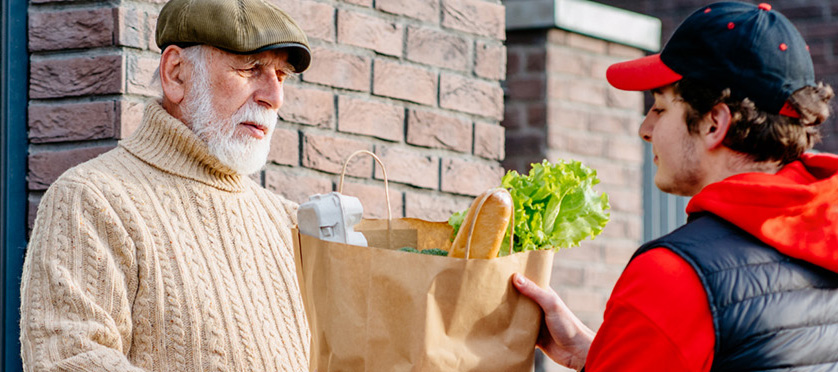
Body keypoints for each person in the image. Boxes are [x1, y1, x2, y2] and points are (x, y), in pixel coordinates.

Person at [514, 2, 838, 371]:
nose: (645, 129)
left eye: (661, 108)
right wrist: (601, 356)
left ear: (714, 123)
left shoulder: (672, 275)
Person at [19, 0, 313, 370]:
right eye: (250, 69)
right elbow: (71, 359)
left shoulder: (287, 222)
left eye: (281, 75)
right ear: (176, 73)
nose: (274, 97)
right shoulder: (91, 199)